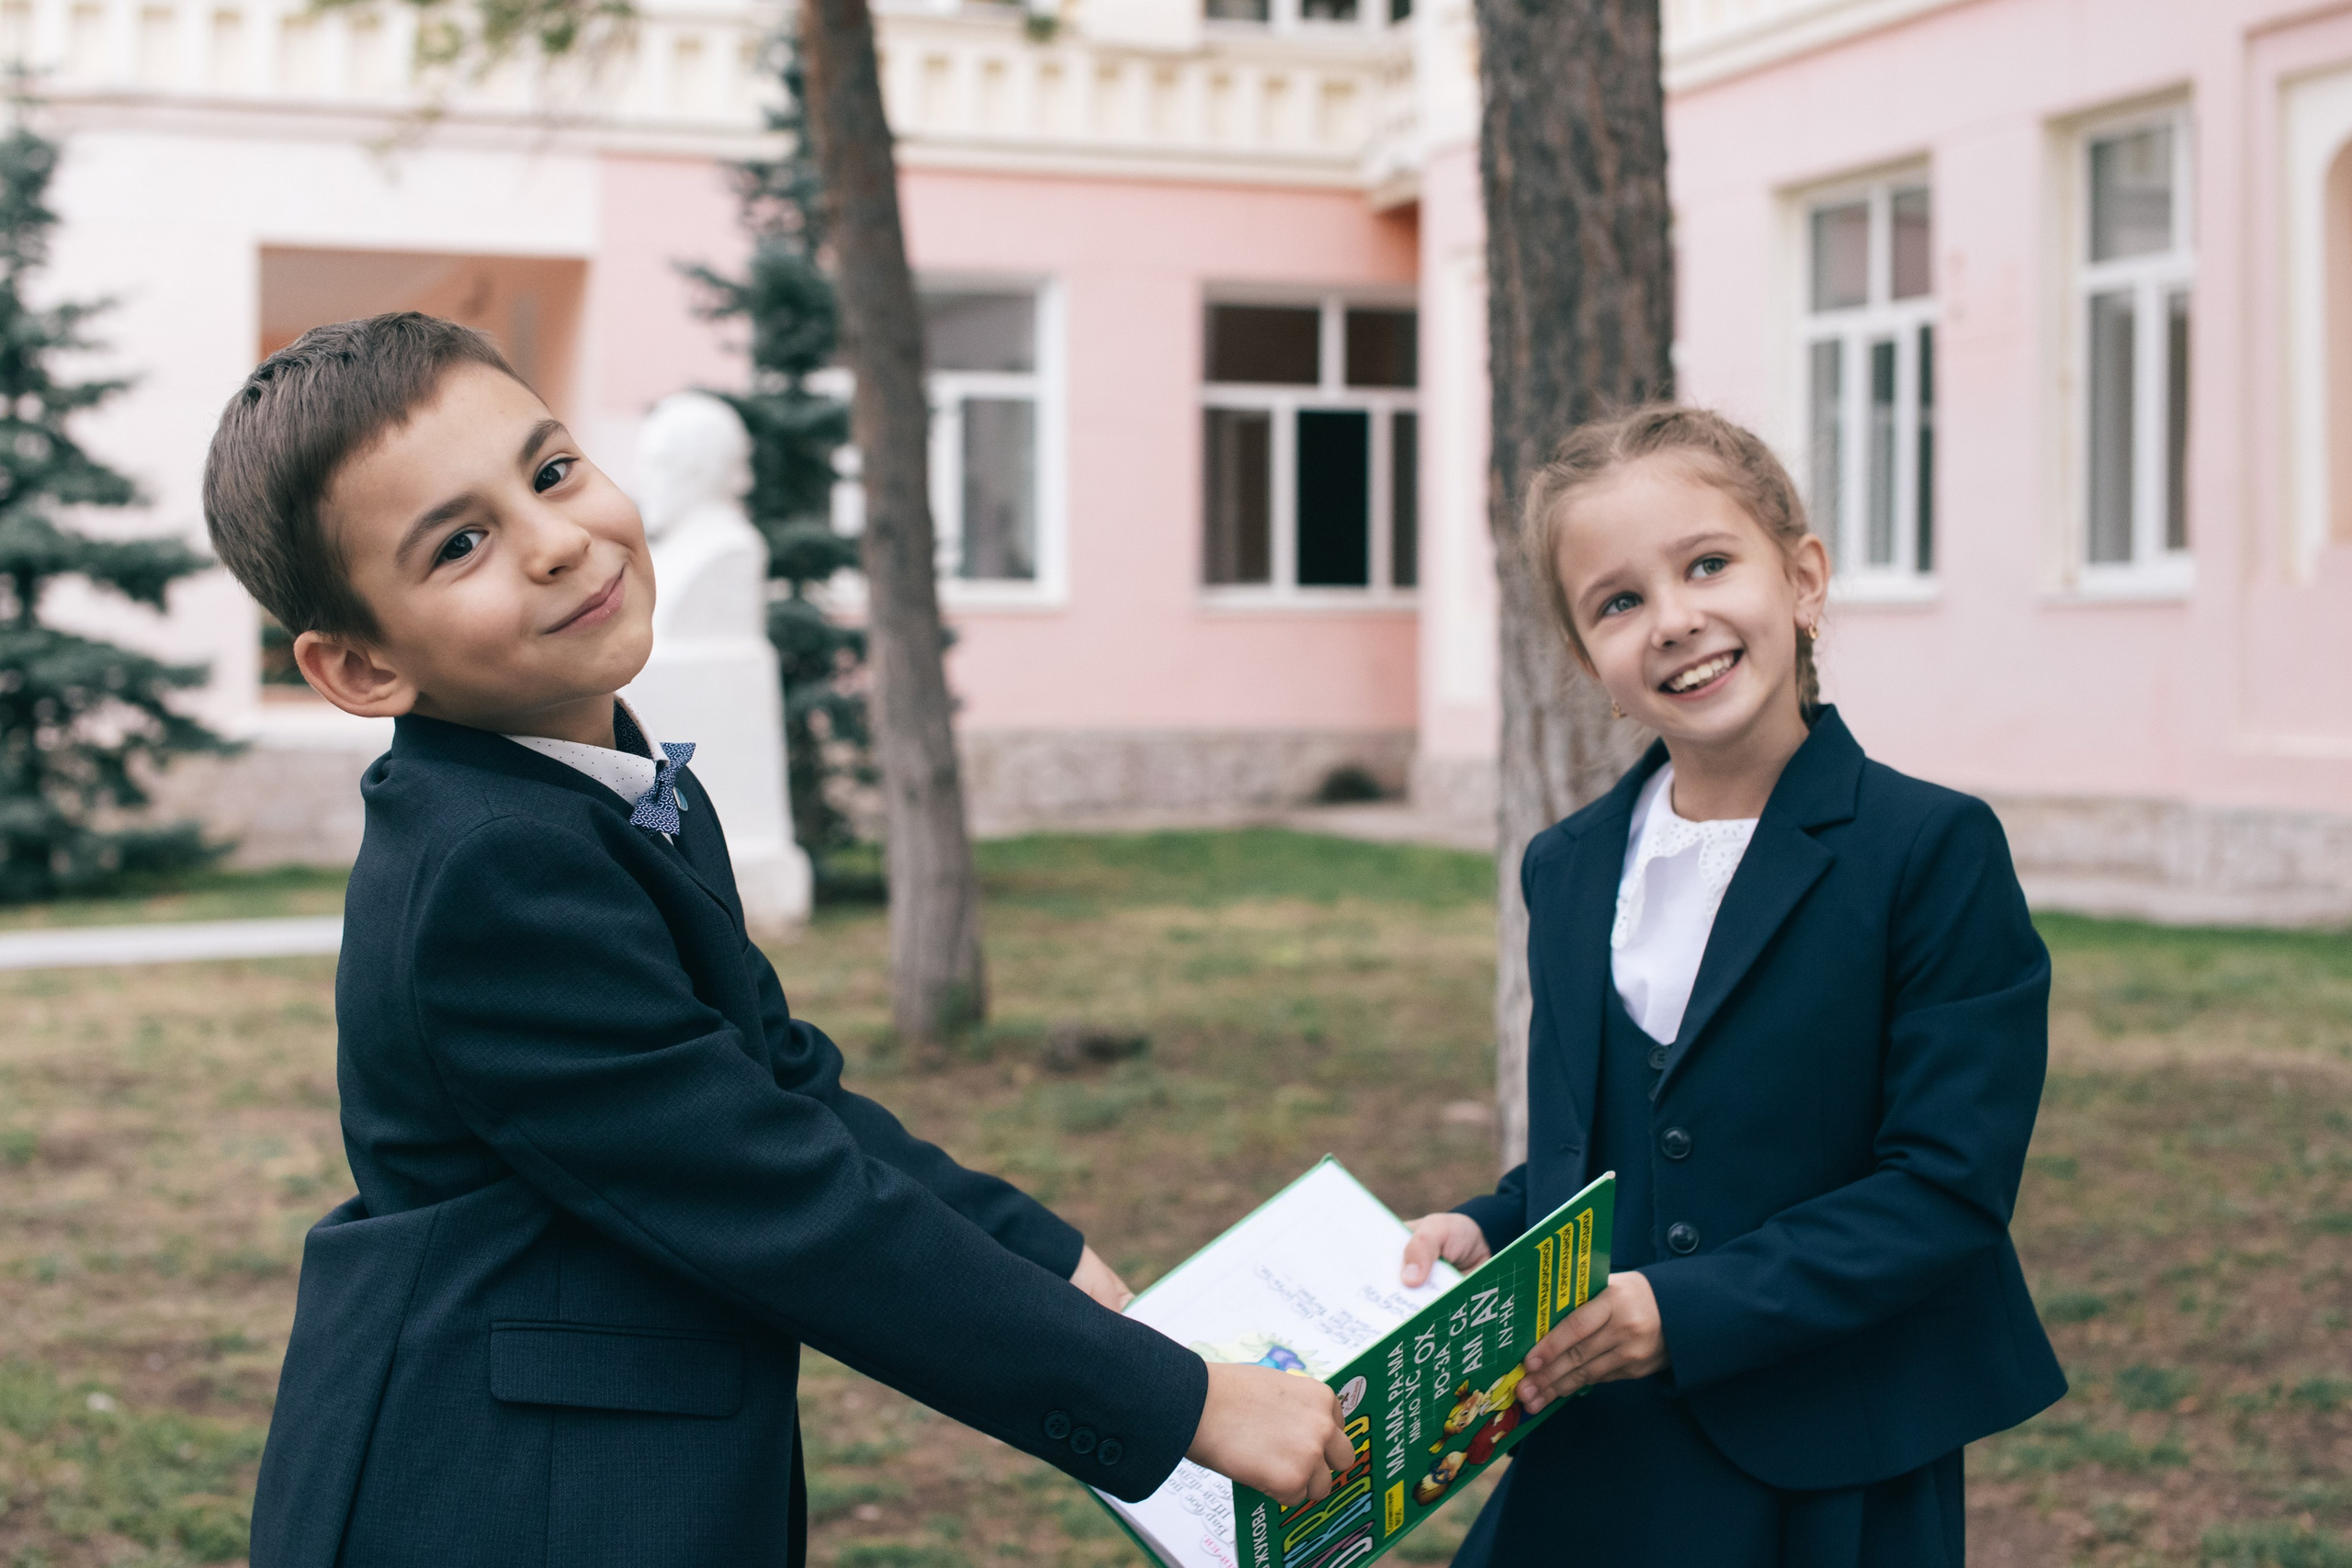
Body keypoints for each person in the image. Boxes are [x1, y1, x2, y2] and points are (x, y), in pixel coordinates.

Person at [203, 312, 1353, 1568]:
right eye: (463, 542)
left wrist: (1053, 1256)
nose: (556, 540)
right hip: (506, 1494)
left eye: (550, 471)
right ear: (362, 664)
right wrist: (1174, 1401)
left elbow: (781, 1083)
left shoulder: (606, 780)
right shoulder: (491, 868)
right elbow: (781, 1194)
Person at [1396, 405, 2065, 1566]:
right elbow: (1613, 1150)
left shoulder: (1927, 850)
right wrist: (1488, 1226)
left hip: (1836, 1454)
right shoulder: (1566, 868)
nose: (1675, 621)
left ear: (1802, 580)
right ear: (1588, 665)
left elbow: (1944, 1190)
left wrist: (1684, 1310)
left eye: (1707, 564)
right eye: (1619, 602)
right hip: (1600, 1446)